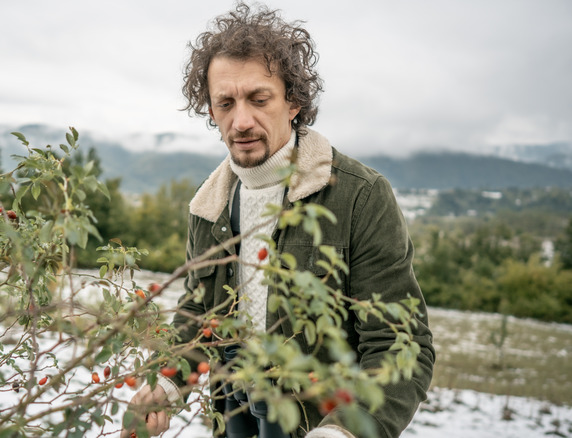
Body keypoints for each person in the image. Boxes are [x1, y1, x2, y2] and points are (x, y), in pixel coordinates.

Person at [120, 3, 434, 438]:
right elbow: (198, 314)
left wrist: (344, 431)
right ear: (210, 111)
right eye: (225, 103)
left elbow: (402, 346)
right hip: (231, 417)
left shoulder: (359, 196)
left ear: (294, 101)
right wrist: (167, 383)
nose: (241, 120)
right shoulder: (209, 205)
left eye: (258, 98)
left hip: (317, 422)